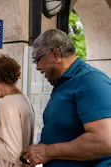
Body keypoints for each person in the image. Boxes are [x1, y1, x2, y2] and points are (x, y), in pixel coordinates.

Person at [21, 29, 111, 167]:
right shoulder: (63, 83)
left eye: (38, 59)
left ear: (55, 54)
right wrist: (37, 152)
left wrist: (47, 151)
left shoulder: (91, 80)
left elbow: (105, 141)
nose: (38, 67)